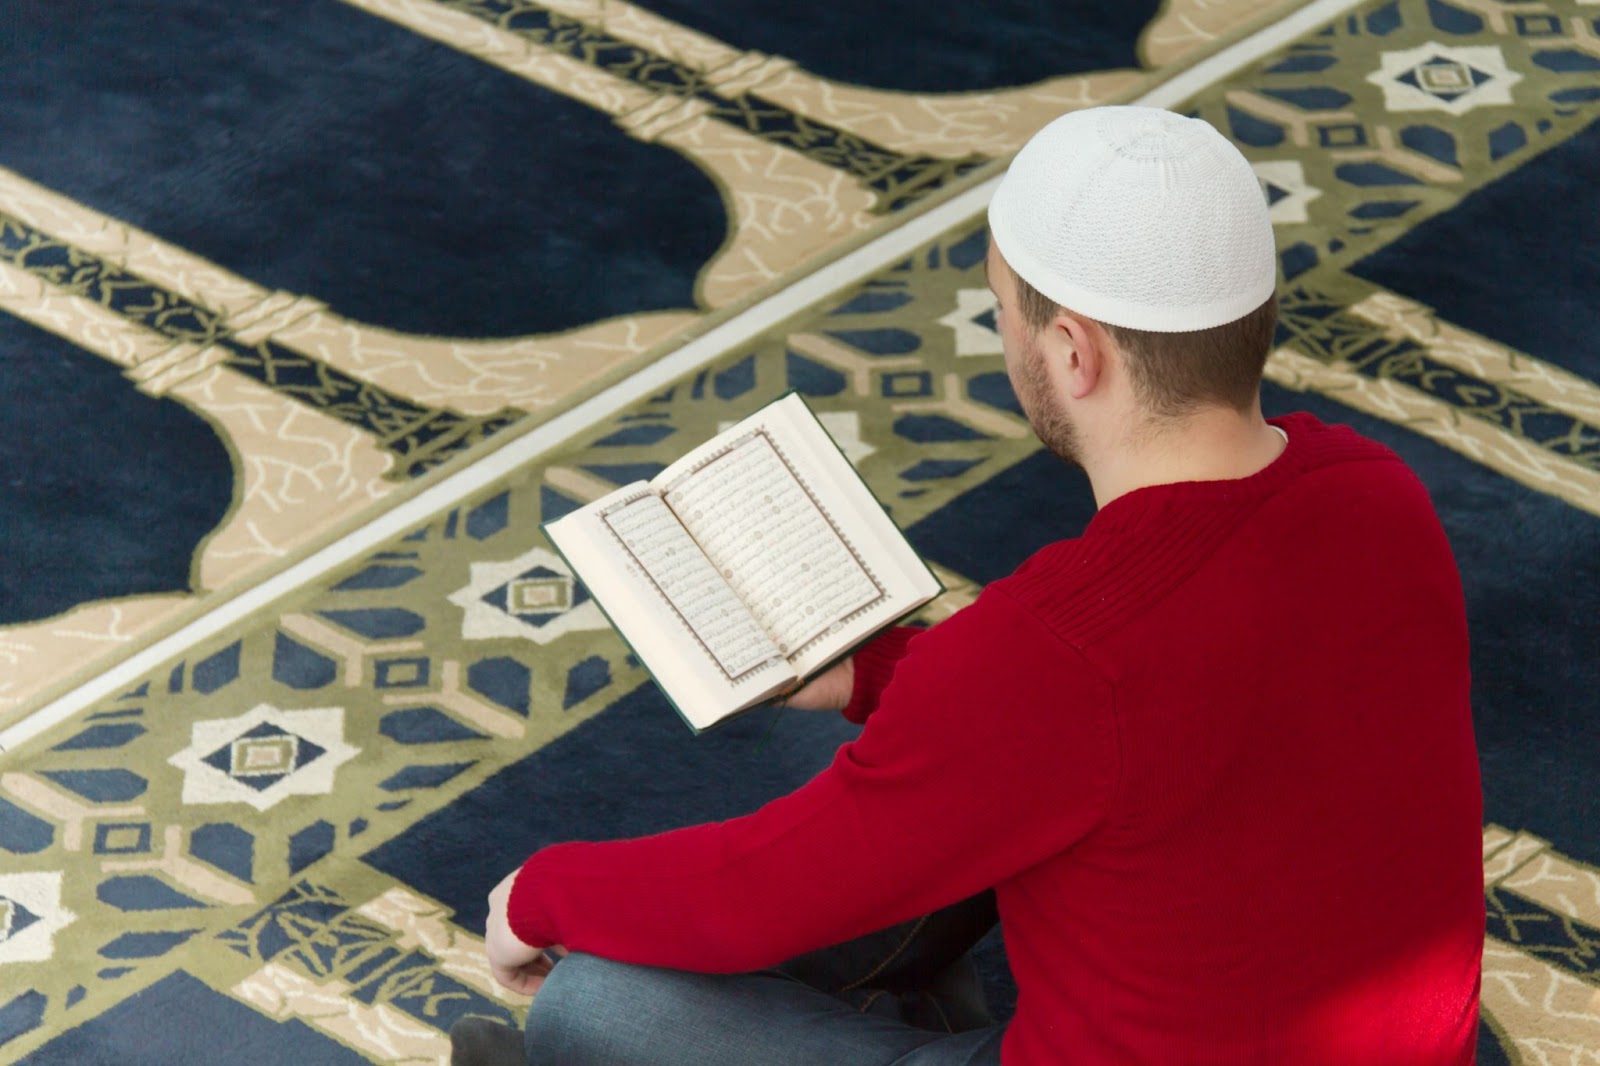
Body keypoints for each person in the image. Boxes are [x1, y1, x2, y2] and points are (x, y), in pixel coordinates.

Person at [455, 106, 1485, 1065]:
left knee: (598, 1002)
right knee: (979, 821)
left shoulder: (1053, 657)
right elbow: (1144, 713)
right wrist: (879, 672)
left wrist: (539, 893)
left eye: (1002, 314)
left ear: (1073, 352)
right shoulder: (1372, 491)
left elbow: (757, 892)